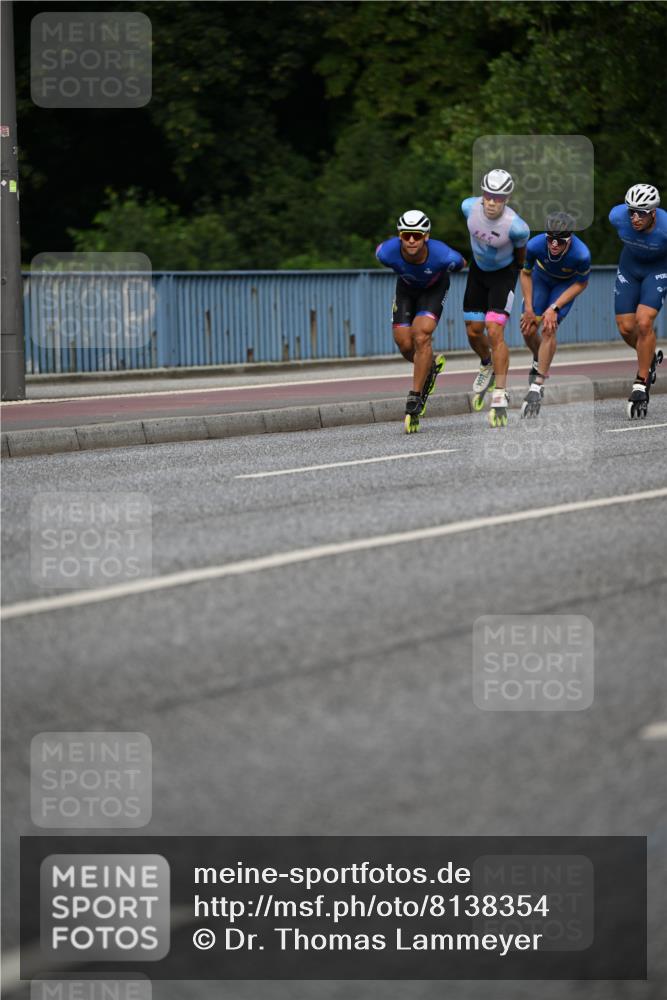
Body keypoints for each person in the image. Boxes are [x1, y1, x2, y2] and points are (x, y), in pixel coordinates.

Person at [376, 209, 466, 433]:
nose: (412, 240)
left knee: (422, 334)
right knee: (405, 344)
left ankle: (415, 396)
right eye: (407, 235)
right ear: (400, 236)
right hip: (406, 291)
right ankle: (431, 368)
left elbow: (462, 262)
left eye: (417, 235)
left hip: (433, 290)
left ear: (427, 236)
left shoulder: (443, 255)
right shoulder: (386, 253)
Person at [462, 169, 530, 427]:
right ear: (482, 194)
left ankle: (500, 394)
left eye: (499, 198)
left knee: (494, 330)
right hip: (478, 272)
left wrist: (519, 279)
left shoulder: (516, 227)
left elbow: (522, 257)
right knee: (474, 332)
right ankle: (486, 363)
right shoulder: (468, 208)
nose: (492, 202)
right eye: (488, 196)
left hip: (503, 275)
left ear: (507, 198)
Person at [519, 212, 591, 417]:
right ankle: (538, 357)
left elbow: (581, 283)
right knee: (527, 329)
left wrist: (555, 307)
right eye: (550, 239)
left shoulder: (581, 254)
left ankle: (538, 384)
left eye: (560, 241)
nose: (554, 245)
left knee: (549, 327)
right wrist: (529, 308)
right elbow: (525, 273)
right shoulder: (534, 245)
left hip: (565, 285)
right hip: (541, 280)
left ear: (570, 239)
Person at [609, 183, 667, 418]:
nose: (634, 217)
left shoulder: (665, 228)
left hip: (658, 269)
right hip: (630, 268)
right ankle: (649, 356)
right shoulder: (617, 217)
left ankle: (641, 383)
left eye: (641, 213)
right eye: (631, 211)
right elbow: (623, 215)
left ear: (653, 213)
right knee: (625, 327)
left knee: (644, 322)